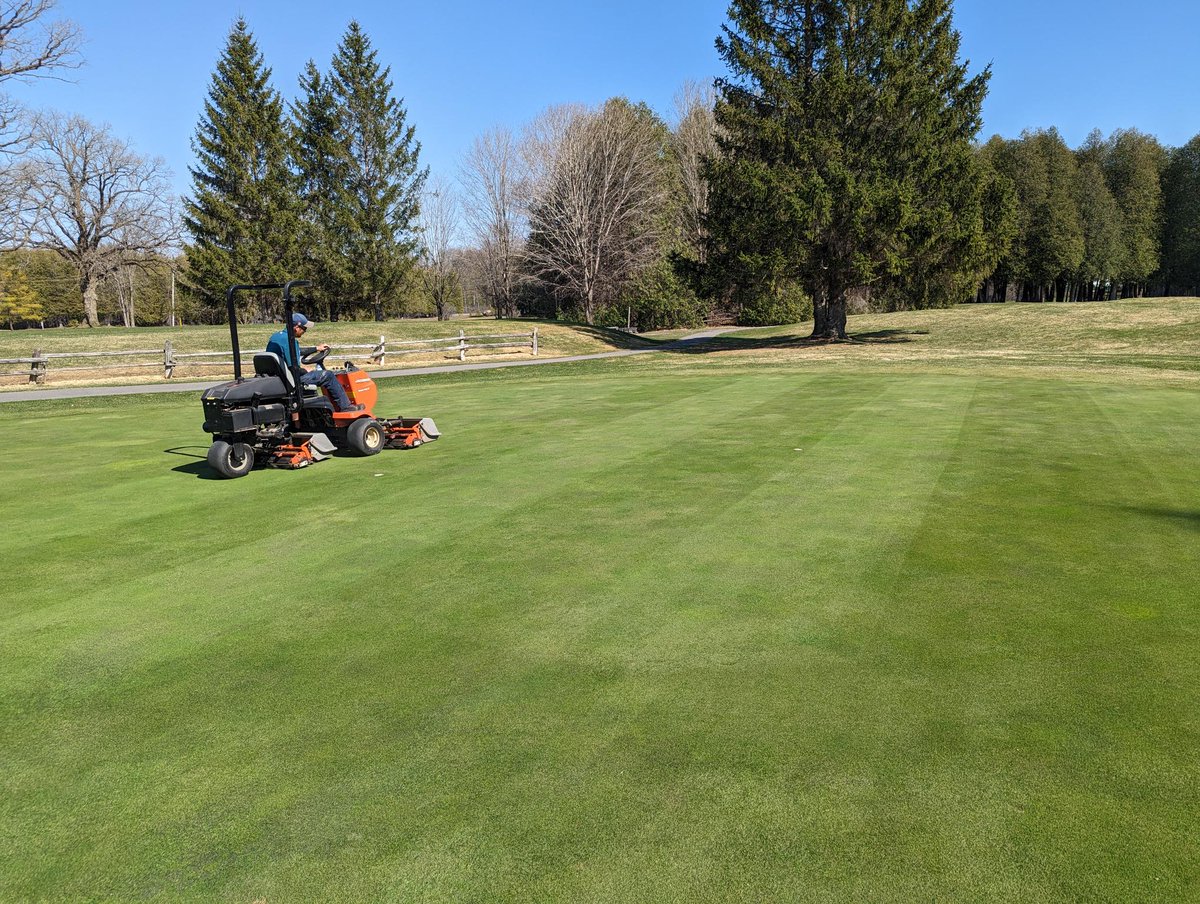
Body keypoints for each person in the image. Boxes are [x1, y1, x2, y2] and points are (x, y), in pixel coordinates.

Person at [265, 312, 363, 412]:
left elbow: (296, 351)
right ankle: (346, 407)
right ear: (296, 327)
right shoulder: (290, 341)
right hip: (292, 380)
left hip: (279, 378)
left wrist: (316, 349)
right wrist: (305, 371)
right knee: (328, 375)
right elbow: (293, 369)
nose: (305, 331)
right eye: (304, 328)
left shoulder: (276, 337)